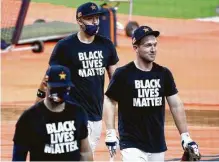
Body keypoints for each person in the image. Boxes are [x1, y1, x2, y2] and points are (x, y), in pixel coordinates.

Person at [104, 26, 201, 161]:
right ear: (136, 48)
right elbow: (109, 101)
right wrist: (110, 132)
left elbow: (176, 104)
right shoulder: (123, 74)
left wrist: (185, 136)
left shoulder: (164, 74)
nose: (153, 49)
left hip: (157, 144)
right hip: (131, 143)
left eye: (155, 44)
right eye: (148, 45)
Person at [35, 2, 119, 156]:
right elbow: (48, 78)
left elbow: (115, 86)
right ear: (79, 21)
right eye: (90, 18)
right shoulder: (65, 46)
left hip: (95, 116)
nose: (95, 22)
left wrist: (111, 130)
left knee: (86, 155)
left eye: (97, 18)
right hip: (72, 114)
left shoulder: (106, 45)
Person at [12, 65, 93, 161]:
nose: (60, 92)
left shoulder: (78, 113)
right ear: (45, 85)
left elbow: (85, 151)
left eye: (64, 88)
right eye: (56, 88)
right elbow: (18, 157)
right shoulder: (29, 118)